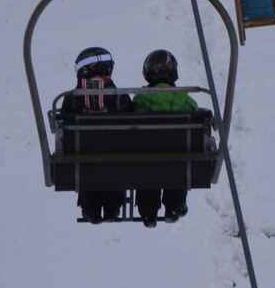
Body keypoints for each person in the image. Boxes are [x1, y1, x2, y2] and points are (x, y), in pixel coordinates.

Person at [61, 47, 131, 224]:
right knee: (115, 162)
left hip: (83, 164)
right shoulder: (120, 98)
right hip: (118, 164)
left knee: (88, 163)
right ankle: (113, 205)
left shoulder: (71, 99)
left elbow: (63, 125)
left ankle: (90, 206)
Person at [132, 49, 198, 227]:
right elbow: (196, 112)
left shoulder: (140, 100)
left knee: (147, 168)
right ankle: (174, 206)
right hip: (177, 160)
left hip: (147, 161)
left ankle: (148, 211)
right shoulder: (184, 99)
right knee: (178, 165)